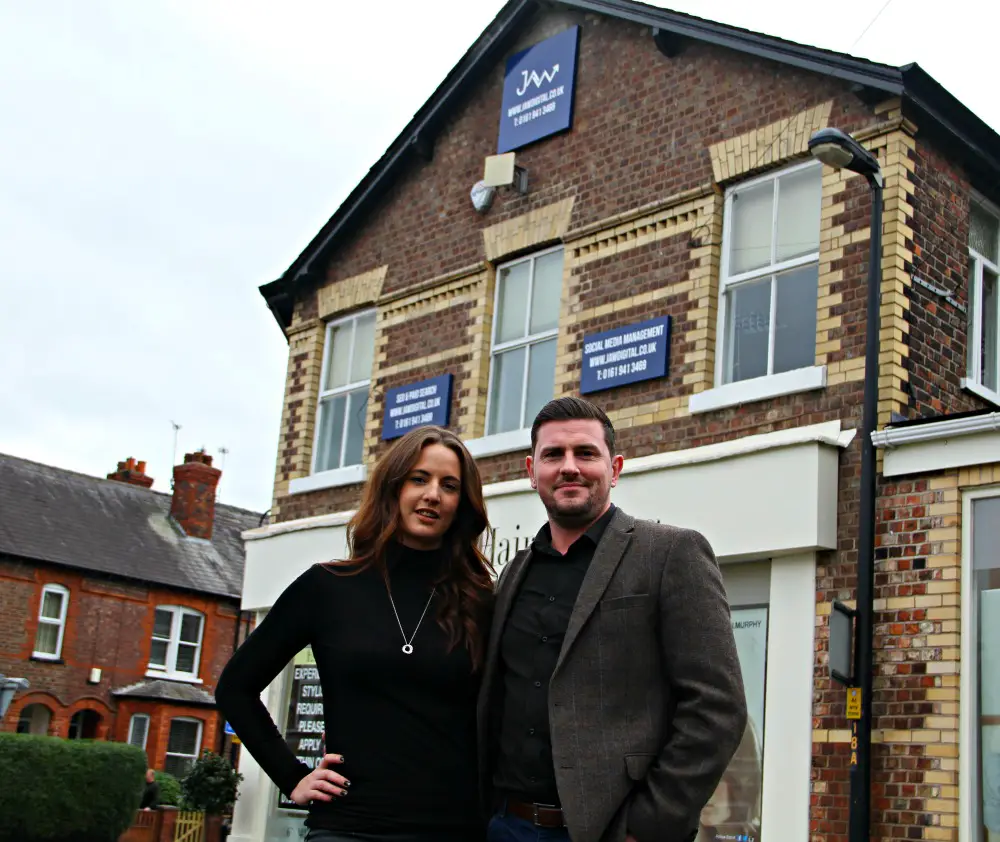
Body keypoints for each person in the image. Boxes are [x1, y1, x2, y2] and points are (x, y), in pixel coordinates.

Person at [477, 397, 748, 842]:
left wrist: (649, 826)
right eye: (553, 455)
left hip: (609, 830)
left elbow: (717, 708)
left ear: (615, 468)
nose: (569, 467)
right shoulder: (512, 573)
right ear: (531, 471)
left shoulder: (670, 554)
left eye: (585, 453)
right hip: (507, 825)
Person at [216, 425, 495, 842]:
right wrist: (292, 777)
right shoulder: (327, 587)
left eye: (449, 485)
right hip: (348, 827)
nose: (432, 494)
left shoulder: (481, 600)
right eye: (419, 479)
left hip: (454, 829)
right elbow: (235, 689)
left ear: (462, 504)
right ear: (393, 489)